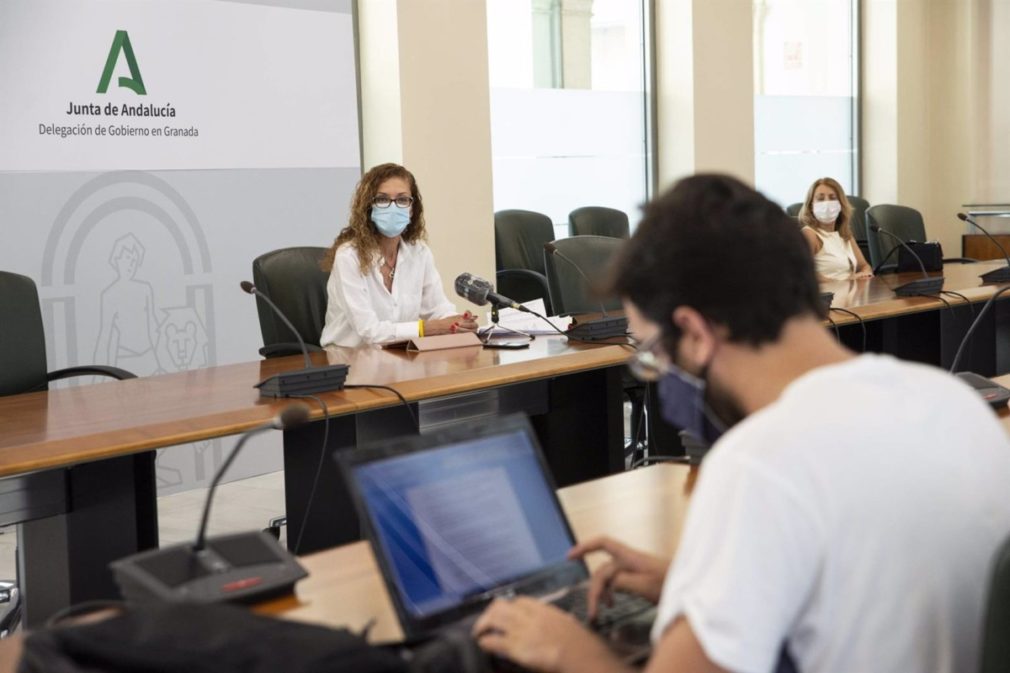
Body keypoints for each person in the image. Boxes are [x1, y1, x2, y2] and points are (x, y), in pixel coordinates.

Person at [472, 174, 1010, 673]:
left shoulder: (763, 460)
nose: (658, 373)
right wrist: (696, 584)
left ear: (696, 333)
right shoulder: (953, 403)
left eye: (654, 353)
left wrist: (568, 649)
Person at [320, 163, 477, 347]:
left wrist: (458, 323)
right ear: (368, 207)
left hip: (397, 356)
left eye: (402, 200)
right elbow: (370, 331)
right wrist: (428, 328)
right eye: (382, 199)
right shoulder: (348, 257)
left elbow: (438, 309)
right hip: (347, 360)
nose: (393, 207)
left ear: (411, 209)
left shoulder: (419, 252)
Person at [798, 177, 873, 281]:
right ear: (811, 206)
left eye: (833, 198)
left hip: (850, 294)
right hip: (825, 296)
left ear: (841, 205)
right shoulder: (809, 234)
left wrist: (865, 273)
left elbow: (864, 265)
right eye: (820, 199)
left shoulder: (845, 234)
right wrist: (848, 280)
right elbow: (805, 274)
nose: (827, 203)